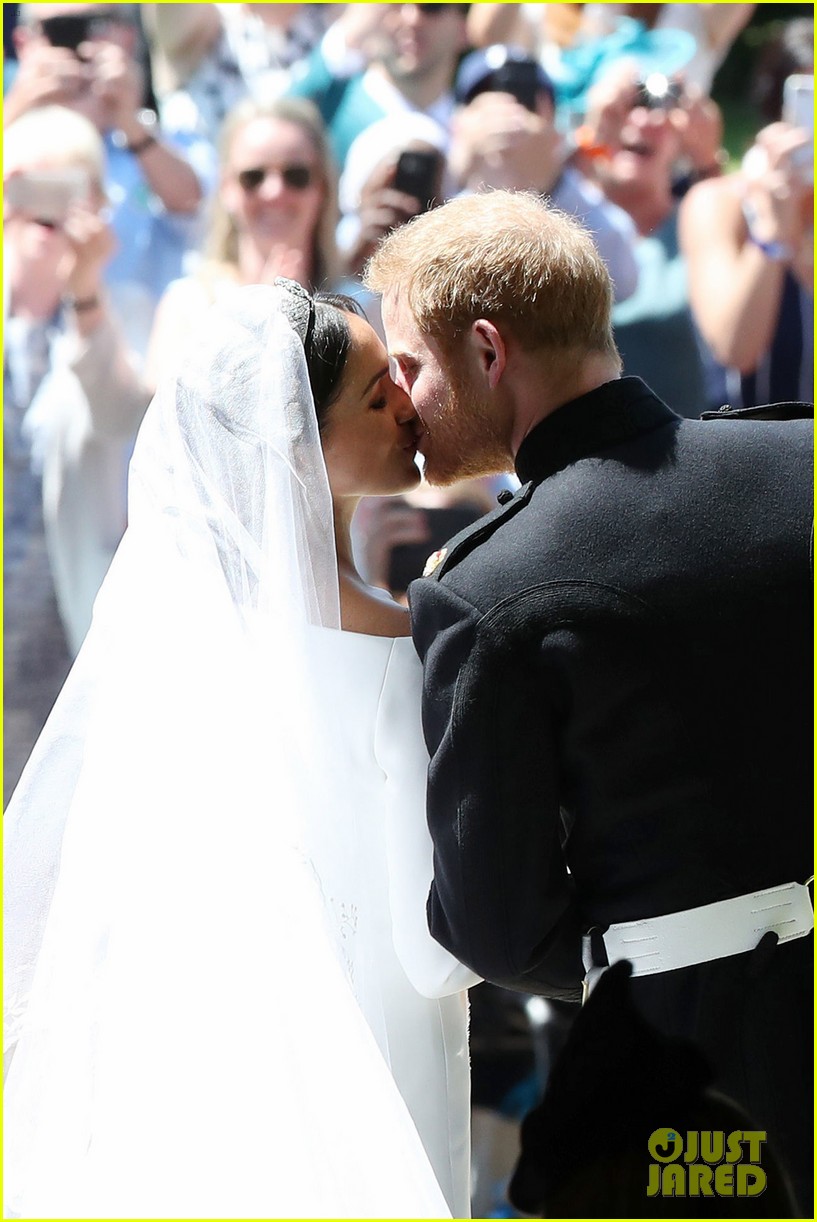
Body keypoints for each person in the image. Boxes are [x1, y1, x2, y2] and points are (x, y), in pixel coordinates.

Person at [365, 189, 814, 1214]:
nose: (402, 399)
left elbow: (498, 923)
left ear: (487, 351)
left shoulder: (483, 588)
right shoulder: (801, 461)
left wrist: (653, 945)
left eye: (412, 366)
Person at [4, 280, 479, 1218]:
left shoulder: (169, 644)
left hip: (186, 1074)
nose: (404, 404)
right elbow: (434, 953)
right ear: (295, 439)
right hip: (373, 1063)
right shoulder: (402, 649)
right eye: (376, 390)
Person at [4, 104, 150, 806]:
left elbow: (120, 410)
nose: (45, 206)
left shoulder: (123, 307)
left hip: (73, 629)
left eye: (67, 184)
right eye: (25, 184)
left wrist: (83, 291)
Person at [145, 95, 339, 389]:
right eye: (253, 177)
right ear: (226, 188)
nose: (274, 191)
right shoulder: (189, 307)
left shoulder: (359, 307)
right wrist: (263, 320)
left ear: (322, 186)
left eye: (296, 176)